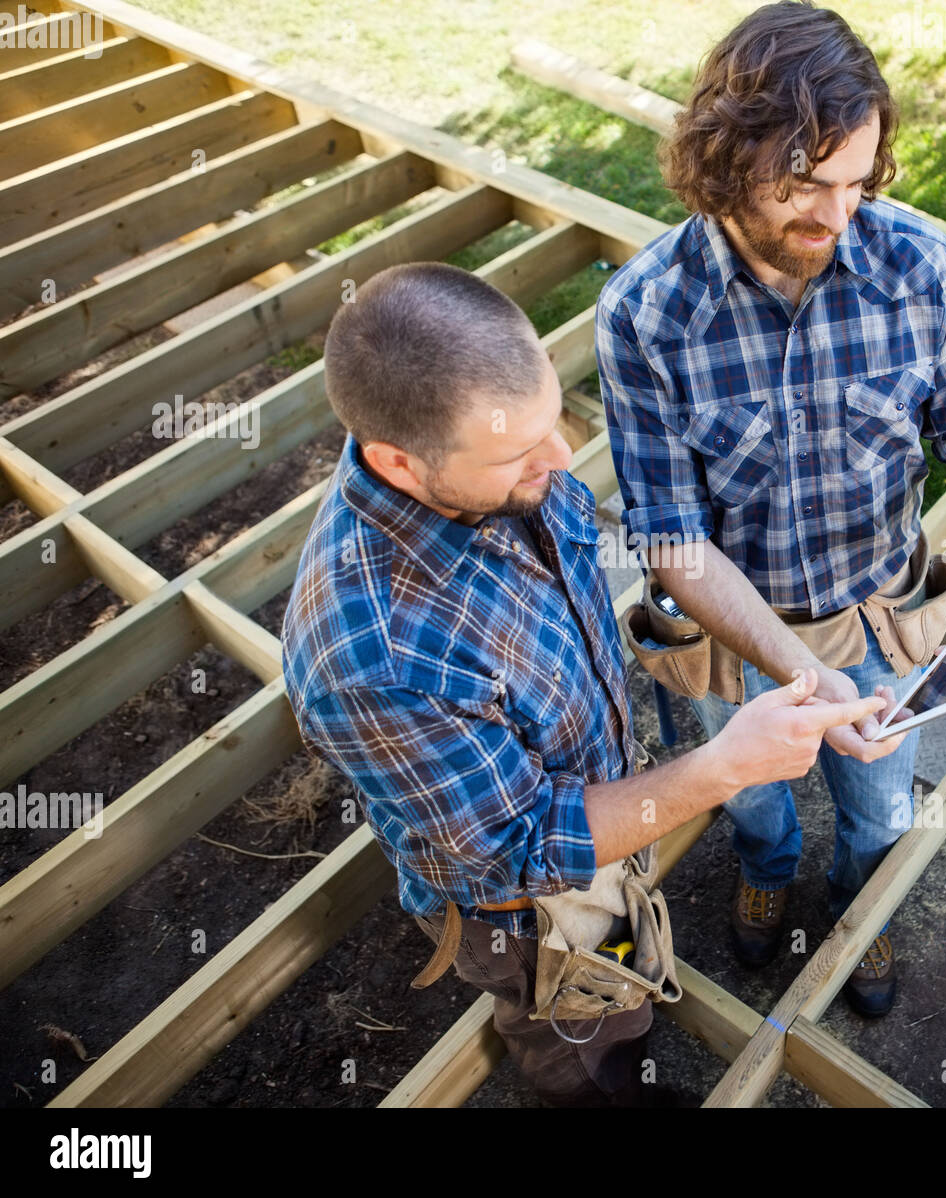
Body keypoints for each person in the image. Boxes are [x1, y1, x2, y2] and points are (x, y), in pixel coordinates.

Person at [280, 261, 904, 1108]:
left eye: (552, 418)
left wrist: (799, 668)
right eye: (517, 450)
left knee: (627, 975)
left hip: (606, 811)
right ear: (399, 462)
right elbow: (524, 852)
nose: (562, 457)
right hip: (528, 914)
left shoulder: (483, 471)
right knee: (585, 1044)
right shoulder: (373, 655)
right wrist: (724, 767)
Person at [595, 0, 946, 1018]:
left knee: (879, 805)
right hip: (729, 637)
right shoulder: (647, 314)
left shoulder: (919, 269)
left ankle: (858, 918)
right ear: (722, 158)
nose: (835, 218)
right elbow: (668, 539)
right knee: (749, 794)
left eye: (856, 182)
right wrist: (801, 679)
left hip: (876, 615)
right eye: (802, 185)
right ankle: (766, 869)